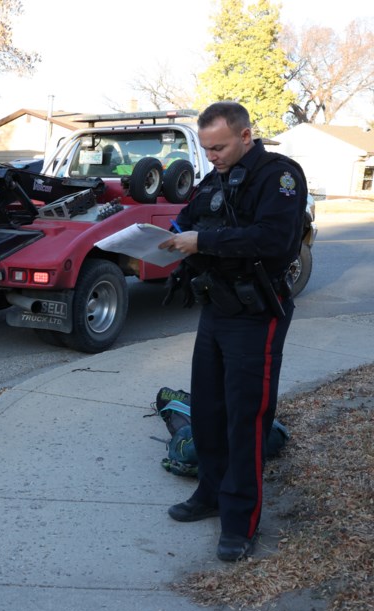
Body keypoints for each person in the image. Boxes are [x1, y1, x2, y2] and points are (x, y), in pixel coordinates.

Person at [157, 101, 306, 562]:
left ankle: (241, 521)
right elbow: (191, 216)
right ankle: (211, 493)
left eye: (219, 147)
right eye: (207, 149)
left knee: (246, 419)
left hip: (256, 314)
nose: (212, 156)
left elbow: (273, 239)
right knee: (207, 410)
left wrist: (202, 241)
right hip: (216, 309)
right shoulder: (218, 177)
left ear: (246, 136)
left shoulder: (279, 176)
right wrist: (162, 235)